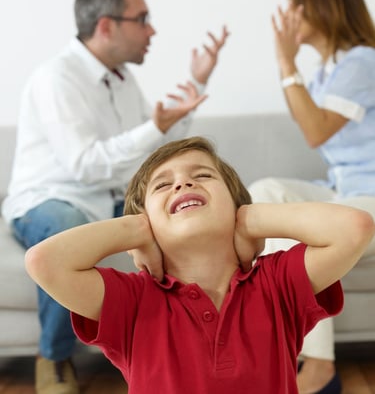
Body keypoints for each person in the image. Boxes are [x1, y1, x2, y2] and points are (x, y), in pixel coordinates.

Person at [25, 136, 375, 394]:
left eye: (203, 176)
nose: (182, 182)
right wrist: (134, 229)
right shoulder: (132, 300)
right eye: (163, 185)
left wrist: (251, 219)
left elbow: (355, 228)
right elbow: (44, 261)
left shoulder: (276, 284)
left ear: (235, 206)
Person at [1, 0, 229, 391]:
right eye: (142, 20)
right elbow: (85, 164)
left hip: (107, 199)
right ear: (106, 26)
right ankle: (53, 357)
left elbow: (158, 146)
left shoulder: (122, 79)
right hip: (50, 199)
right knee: (66, 228)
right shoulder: (57, 78)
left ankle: (193, 345)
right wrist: (153, 129)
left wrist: (197, 83)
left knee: (187, 216)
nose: (152, 30)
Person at [248, 0, 375, 393]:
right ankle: (282, 349)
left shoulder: (362, 61)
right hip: (345, 190)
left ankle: (318, 364)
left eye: (294, 6)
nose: (286, 18)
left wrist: (287, 63)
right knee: (265, 193)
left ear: (324, 7)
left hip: (370, 197)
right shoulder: (326, 73)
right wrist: (292, 68)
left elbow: (315, 131)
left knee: (298, 230)